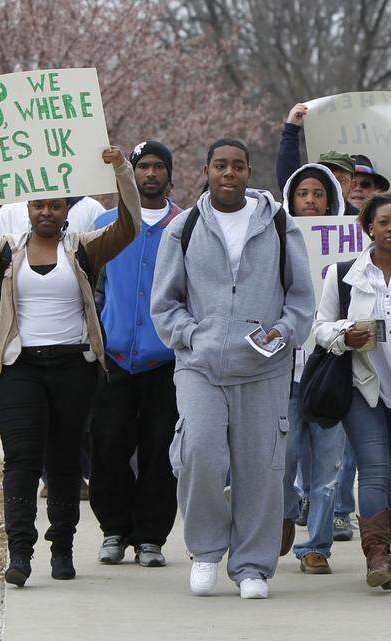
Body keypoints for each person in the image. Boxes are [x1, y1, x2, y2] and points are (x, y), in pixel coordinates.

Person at [0, 146, 140, 587]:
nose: (46, 211)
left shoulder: (83, 249)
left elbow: (129, 225)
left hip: (73, 369)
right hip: (18, 369)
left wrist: (121, 171)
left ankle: (62, 549)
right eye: (38, 204)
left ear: (66, 210)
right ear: (26, 209)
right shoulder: (2, 252)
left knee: (63, 463)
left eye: (55, 205)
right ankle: (19, 553)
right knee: (21, 463)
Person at [151, 138, 314, 599]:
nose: (229, 174)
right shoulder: (183, 228)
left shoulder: (279, 224)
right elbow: (165, 304)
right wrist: (191, 335)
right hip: (200, 365)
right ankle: (205, 552)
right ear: (205, 169)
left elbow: (302, 298)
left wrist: (283, 333)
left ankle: (252, 567)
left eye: (238, 166)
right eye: (219, 165)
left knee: (261, 468)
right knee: (199, 452)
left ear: (248, 172)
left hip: (264, 367)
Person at [313, 194, 391, 589]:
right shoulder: (343, 274)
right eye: (384, 222)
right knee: (373, 467)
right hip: (363, 386)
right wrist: (345, 334)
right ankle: (378, 555)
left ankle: (384, 542)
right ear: (369, 228)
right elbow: (320, 326)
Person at [89, 141, 181, 568]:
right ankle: (114, 528)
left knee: (159, 450)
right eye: (141, 166)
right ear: (129, 173)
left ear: (169, 174)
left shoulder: (186, 225)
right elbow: (92, 287)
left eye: (157, 167)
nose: (149, 174)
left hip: (165, 361)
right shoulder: (106, 225)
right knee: (108, 446)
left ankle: (151, 537)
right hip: (114, 358)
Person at [278, 162, 349, 574]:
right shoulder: (275, 241)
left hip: (329, 375)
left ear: (330, 200)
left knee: (327, 469)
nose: (310, 200)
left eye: (318, 194)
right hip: (285, 374)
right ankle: (286, 514)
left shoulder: (348, 248)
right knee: (284, 460)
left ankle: (318, 545)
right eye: (302, 193)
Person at [275, 103, 360, 216]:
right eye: (328, 179)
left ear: (352, 185)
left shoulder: (359, 221)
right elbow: (287, 174)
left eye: (340, 180)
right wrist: (291, 130)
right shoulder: (289, 222)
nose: (310, 200)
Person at [0, 196, 106, 236]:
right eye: (38, 206)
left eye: (56, 207)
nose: (46, 213)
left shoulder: (91, 209)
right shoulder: (8, 211)